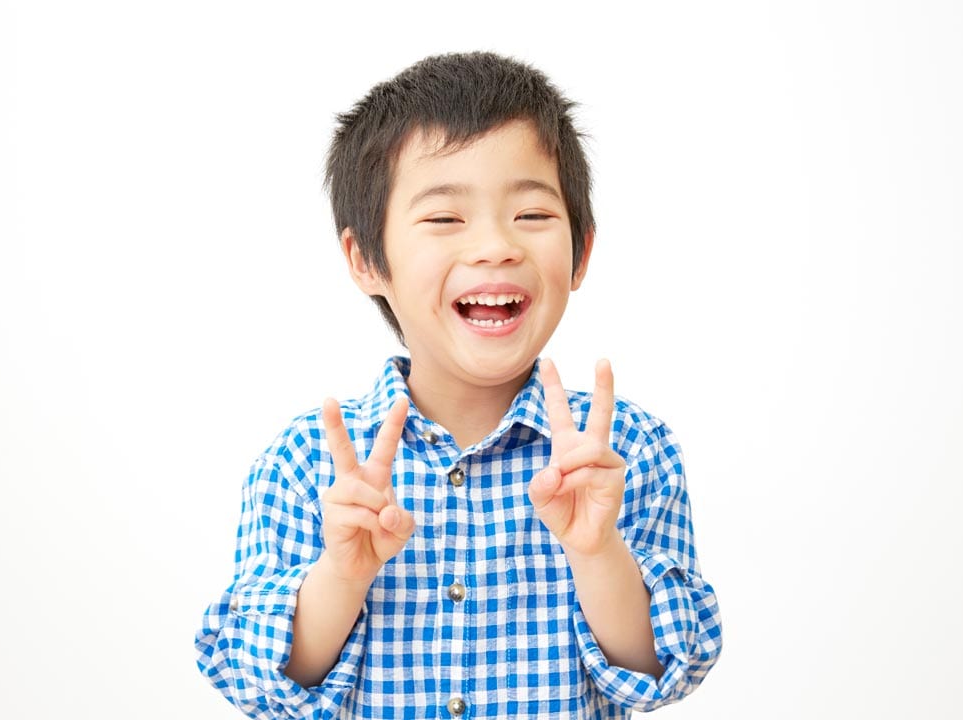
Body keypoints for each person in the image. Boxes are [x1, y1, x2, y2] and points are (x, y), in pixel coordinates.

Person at [195, 51, 722, 719]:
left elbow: (664, 670)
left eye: (531, 214)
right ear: (366, 260)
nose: (495, 246)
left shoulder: (624, 450)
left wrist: (597, 552)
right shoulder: (307, 463)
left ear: (581, 251)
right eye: (445, 219)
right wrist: (341, 577)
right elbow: (260, 685)